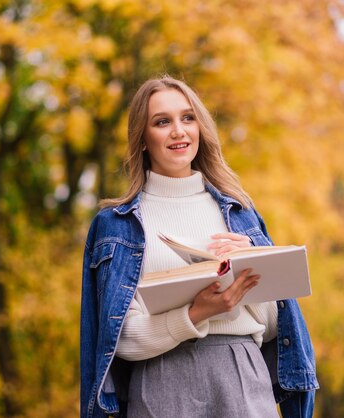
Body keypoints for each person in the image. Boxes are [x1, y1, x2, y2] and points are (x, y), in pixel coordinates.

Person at [80, 75, 318, 418]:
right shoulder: (115, 226)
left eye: (187, 118)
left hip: (240, 372)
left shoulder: (242, 214)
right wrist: (195, 313)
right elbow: (121, 339)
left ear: (200, 128)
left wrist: (250, 265)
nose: (179, 131)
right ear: (143, 139)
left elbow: (276, 326)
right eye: (162, 122)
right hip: (160, 380)